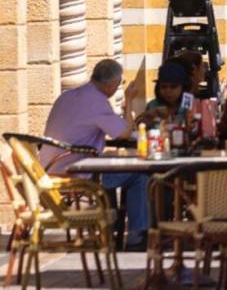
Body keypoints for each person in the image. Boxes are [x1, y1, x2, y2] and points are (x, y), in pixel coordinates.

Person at [40, 59, 148, 250]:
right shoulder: (97, 102)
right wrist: (129, 100)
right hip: (77, 173)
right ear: (109, 84)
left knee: (113, 168)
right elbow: (123, 133)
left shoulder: (67, 96)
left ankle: (112, 229)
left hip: (51, 168)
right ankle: (137, 236)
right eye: (119, 83)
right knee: (138, 174)